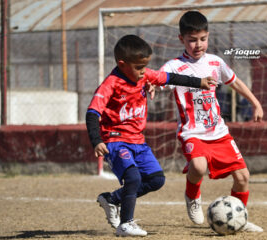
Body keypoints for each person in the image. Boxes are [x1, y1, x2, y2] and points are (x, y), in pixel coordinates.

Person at [85, 34, 216, 237]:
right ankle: (125, 224)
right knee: (133, 178)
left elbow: (171, 78)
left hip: (138, 141)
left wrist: (200, 82)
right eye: (138, 67)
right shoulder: (110, 84)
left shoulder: (144, 75)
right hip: (116, 140)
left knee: (156, 180)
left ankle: (112, 199)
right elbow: (92, 112)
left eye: (145, 66)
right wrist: (97, 141)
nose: (143, 71)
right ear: (122, 64)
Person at [161, 11, 264, 232]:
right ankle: (192, 196)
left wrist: (255, 102)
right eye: (192, 40)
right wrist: (152, 84)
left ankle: (239, 218)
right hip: (192, 132)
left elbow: (235, 82)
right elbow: (160, 80)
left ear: (208, 36)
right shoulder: (173, 66)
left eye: (202, 39)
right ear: (182, 39)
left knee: (243, 177)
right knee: (198, 166)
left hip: (218, 132)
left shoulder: (215, 62)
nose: (198, 44)